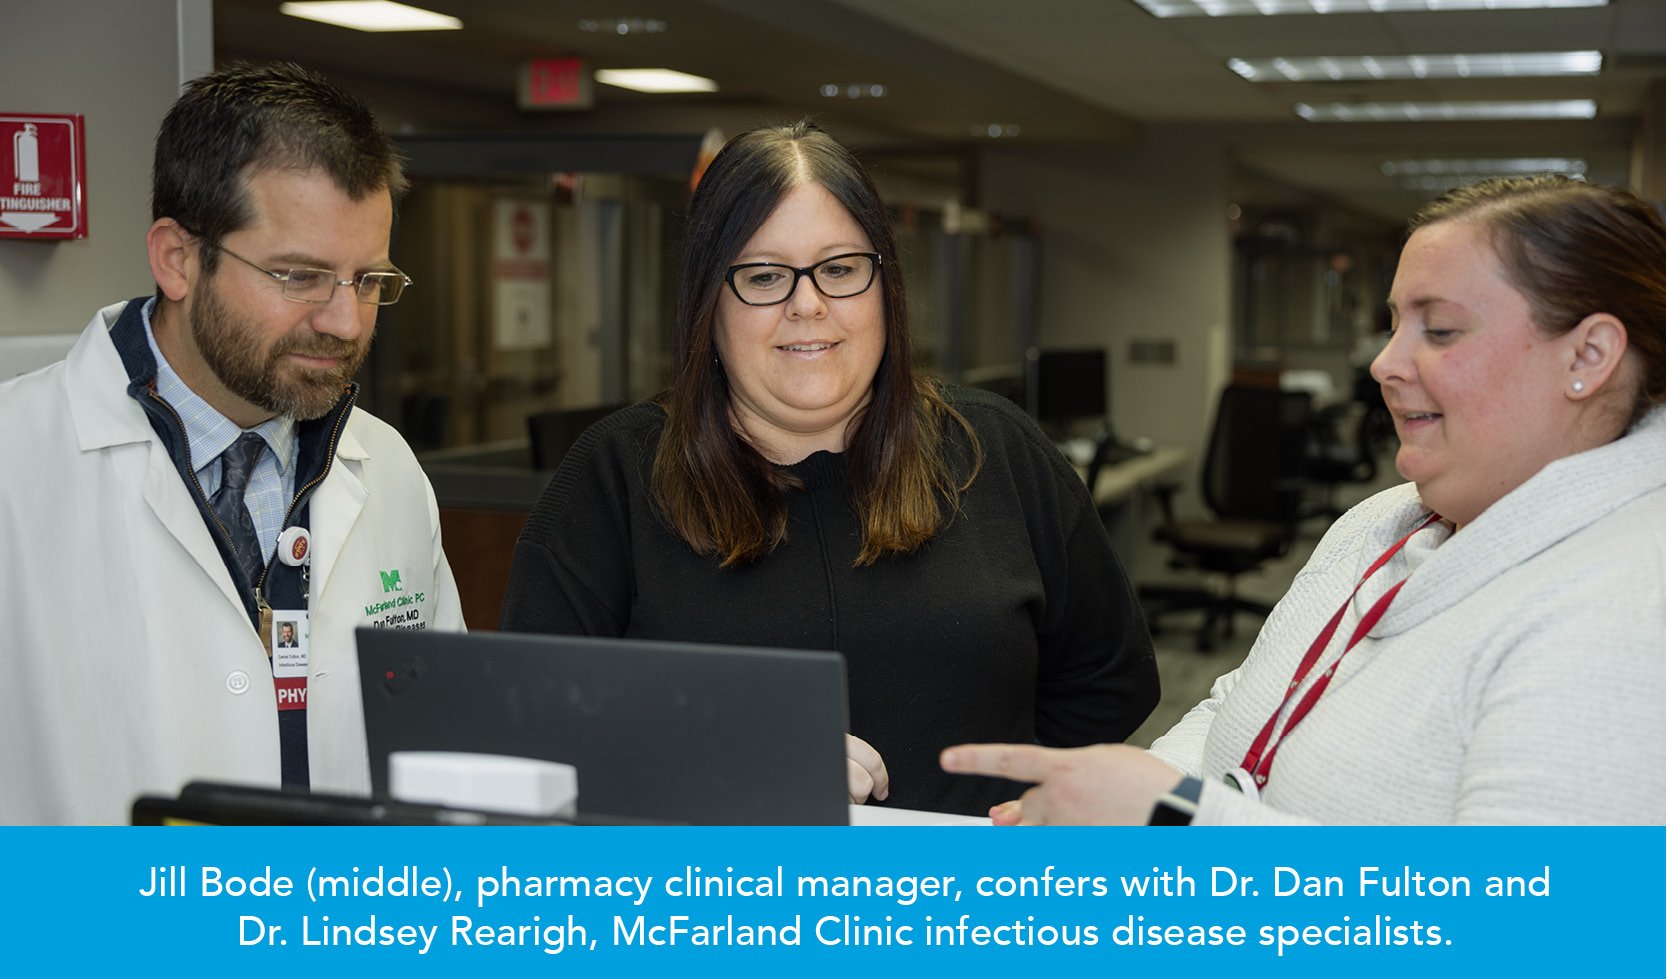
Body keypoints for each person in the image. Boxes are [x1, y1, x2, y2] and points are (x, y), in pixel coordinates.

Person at [943, 175, 1665, 825]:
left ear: (1586, 356)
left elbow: (1538, 933)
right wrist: (1136, 786)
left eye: (1438, 330)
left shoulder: (1627, 610)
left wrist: (1178, 821)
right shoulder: (1379, 522)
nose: (1383, 363)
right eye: (1394, 324)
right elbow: (1244, 702)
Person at [499, 121, 1158, 816]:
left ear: (884, 285)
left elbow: (1110, 677)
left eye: (839, 269)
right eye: (762, 276)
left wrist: (1014, 807)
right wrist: (713, 761)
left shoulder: (994, 450)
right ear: (705, 304)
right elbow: (528, 730)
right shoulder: (613, 479)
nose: (807, 305)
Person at [0, 62, 463, 824]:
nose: (345, 322)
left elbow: (441, 748)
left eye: (368, 279)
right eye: (299, 275)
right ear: (178, 258)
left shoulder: (386, 472)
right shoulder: (23, 464)